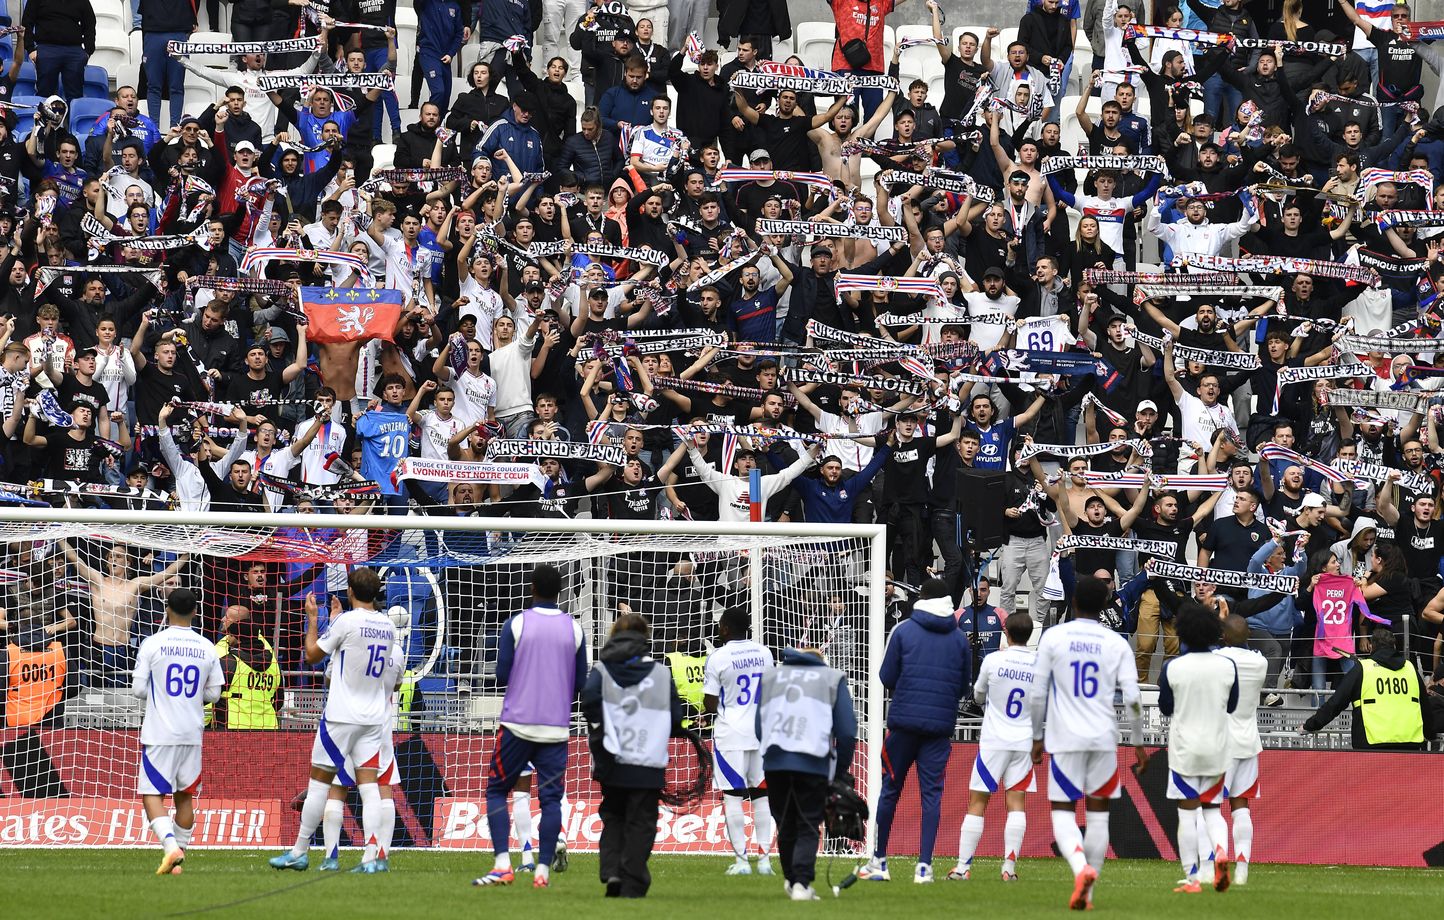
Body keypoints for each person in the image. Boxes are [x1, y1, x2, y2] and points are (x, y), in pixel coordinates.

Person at [1030, 574, 1146, 911]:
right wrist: (1138, 741)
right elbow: (1135, 697)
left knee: (1063, 811)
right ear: (1104, 605)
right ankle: (1089, 890)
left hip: (1065, 737)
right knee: (1098, 816)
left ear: (1075, 602)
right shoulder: (1116, 644)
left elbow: (1038, 694)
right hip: (1103, 736)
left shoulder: (1055, 638)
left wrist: (1037, 736)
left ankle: (1080, 870)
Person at [270, 569, 397, 873]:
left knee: (318, 784)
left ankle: (300, 851)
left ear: (351, 591)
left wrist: (314, 620)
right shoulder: (388, 626)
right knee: (369, 789)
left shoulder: (347, 622)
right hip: (372, 717)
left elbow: (313, 655)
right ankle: (371, 858)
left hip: (341, 716)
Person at [474, 564, 588, 889]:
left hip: (518, 724)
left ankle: (502, 865)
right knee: (551, 800)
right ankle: (542, 872)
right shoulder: (575, 629)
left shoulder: (517, 623)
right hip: (555, 727)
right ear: (560, 590)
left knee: (497, 789)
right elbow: (581, 681)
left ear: (532, 587)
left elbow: (502, 674)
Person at [858, 577, 970, 885]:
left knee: (890, 790)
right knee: (931, 795)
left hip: (904, 724)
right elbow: (963, 686)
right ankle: (924, 867)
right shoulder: (959, 639)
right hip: (939, 728)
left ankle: (880, 860)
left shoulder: (904, 630)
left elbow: (886, 676)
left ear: (921, 598)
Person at [580, 611, 688, 898]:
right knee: (641, 821)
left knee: (613, 814)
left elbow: (588, 703)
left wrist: (607, 726)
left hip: (611, 758)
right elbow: (676, 718)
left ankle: (612, 871)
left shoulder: (602, 671)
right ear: (645, 638)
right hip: (648, 760)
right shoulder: (661, 673)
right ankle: (633, 879)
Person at [130, 588, 223, 876]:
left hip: (160, 731)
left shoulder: (153, 643)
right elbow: (215, 694)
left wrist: (163, 695)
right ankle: (179, 856)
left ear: (166, 609)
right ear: (196, 611)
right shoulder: (207, 647)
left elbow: (138, 689)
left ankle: (171, 848)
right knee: (185, 796)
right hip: (192, 732)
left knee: (151, 794)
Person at [756, 644, 857, 901]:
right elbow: (847, 731)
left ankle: (792, 879)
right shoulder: (831, 678)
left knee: (785, 822)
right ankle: (801, 883)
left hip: (776, 760)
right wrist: (839, 769)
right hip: (813, 761)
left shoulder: (771, 676)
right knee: (808, 822)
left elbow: (759, 724)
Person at [1157, 601, 1239, 894]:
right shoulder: (1227, 666)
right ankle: (1220, 857)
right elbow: (1231, 706)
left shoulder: (1173, 667)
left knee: (1187, 814)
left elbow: (1165, 708)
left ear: (1183, 633)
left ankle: (1192, 879)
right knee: (1213, 811)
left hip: (1184, 751)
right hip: (1217, 748)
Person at [950, 611, 1038, 881]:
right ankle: (1008, 869)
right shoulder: (1039, 664)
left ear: (1006, 632)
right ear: (1030, 635)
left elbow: (977, 695)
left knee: (977, 802)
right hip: (1023, 740)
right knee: (1016, 803)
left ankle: (963, 867)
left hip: (994, 740)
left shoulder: (993, 660)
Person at [702, 606, 777, 876]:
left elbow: (710, 703)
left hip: (730, 735)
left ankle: (743, 862)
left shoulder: (718, 657)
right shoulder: (764, 652)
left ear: (725, 628)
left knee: (732, 796)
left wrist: (711, 706)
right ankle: (766, 860)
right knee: (761, 795)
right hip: (760, 733)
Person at [1302, 628, 1436, 750]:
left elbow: (1336, 703)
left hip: (1371, 744)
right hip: (1409, 743)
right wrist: (1430, 734)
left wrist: (1309, 726)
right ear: (1394, 646)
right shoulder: (1410, 668)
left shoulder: (1363, 669)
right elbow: (1424, 706)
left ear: (1372, 647)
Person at [1215, 614, 1268, 886]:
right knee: (1241, 808)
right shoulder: (1261, 662)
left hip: (1219, 742)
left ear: (1223, 636)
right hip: (1248, 742)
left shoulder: (1217, 660)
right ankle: (1243, 868)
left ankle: (1217, 861)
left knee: (1211, 809)